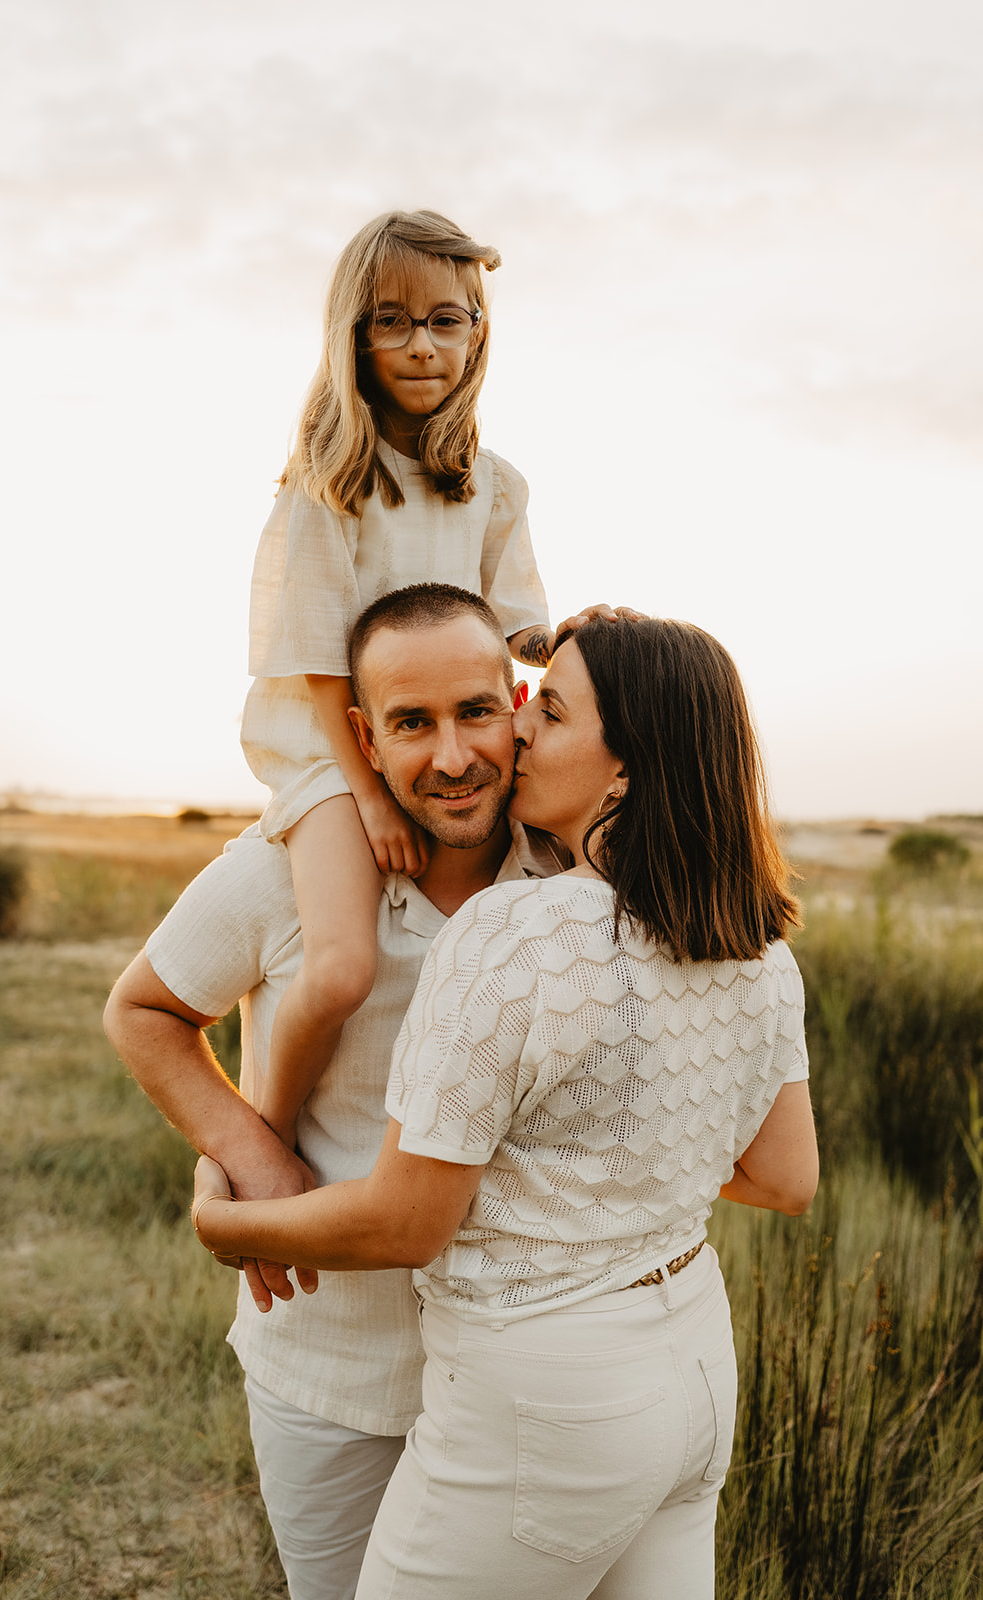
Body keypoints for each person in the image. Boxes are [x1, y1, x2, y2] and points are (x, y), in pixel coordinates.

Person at [191, 615, 821, 1600]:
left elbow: (408, 1220)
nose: (519, 731)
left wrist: (226, 1221)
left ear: (623, 771)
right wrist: (598, 1175)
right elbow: (786, 1178)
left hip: (546, 1402)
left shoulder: (514, 931)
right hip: (694, 1364)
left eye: (551, 711)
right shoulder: (754, 946)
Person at [104, 585, 583, 1600]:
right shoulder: (290, 873)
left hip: (520, 1383)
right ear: (363, 735)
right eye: (412, 722)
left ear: (518, 702)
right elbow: (142, 1010)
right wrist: (252, 1155)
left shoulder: (570, 879)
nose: (451, 756)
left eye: (474, 712)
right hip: (328, 1374)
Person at [241, 209, 554, 1153]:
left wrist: (584, 638)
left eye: (446, 320)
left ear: (477, 332)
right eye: (392, 321)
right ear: (354, 336)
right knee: (341, 969)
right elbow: (311, 656)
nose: (422, 345)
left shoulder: (491, 484)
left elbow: (518, 626)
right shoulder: (332, 481)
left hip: (449, 734)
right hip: (334, 750)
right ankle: (258, 1141)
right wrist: (370, 799)